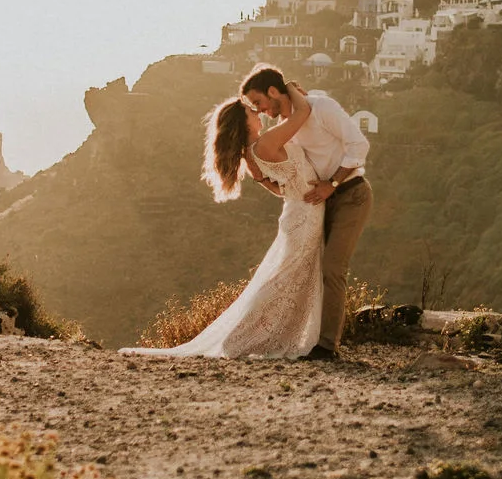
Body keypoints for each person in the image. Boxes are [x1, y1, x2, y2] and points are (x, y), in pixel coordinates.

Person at [119, 90, 327, 359]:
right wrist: (289, 90)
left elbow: (278, 189)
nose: (260, 113)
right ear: (244, 123)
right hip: (306, 215)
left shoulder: (251, 154)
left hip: (300, 212)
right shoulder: (265, 143)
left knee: (287, 278)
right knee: (285, 279)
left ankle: (257, 336)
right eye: (253, 112)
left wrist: (296, 188)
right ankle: (244, 339)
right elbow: (303, 113)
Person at [238, 63, 371, 361]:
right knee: (308, 271)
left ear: (274, 91)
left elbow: (359, 145)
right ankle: (302, 337)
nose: (259, 110)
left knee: (333, 268)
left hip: (351, 194)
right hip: (317, 204)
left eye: (259, 102)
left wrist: (333, 183)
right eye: (253, 107)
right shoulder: (287, 127)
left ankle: (327, 347)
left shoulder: (321, 106)